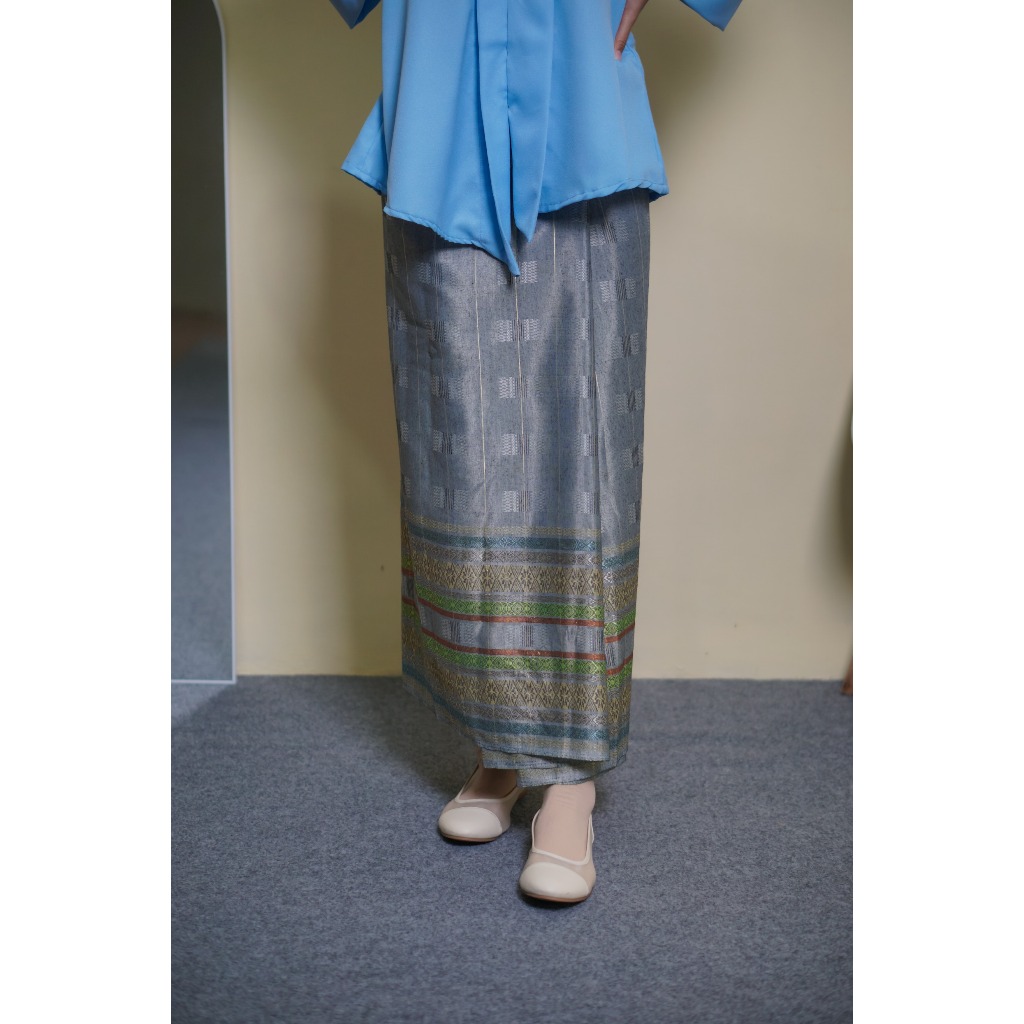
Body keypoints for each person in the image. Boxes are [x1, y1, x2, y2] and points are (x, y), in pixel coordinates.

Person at [329, 0, 743, 903]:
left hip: (577, 92)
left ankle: (573, 779)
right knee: (459, 442)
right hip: (439, 94)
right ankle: (501, 742)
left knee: (583, 435)